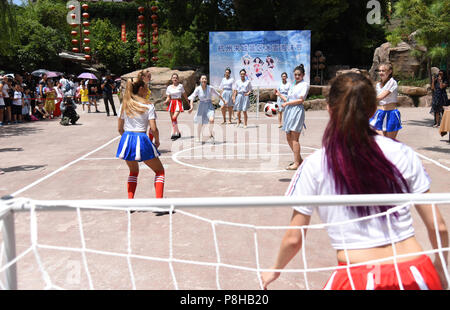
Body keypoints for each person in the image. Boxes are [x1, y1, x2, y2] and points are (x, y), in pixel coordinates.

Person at [261, 72, 448, 290]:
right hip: (414, 271)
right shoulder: (402, 153)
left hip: (356, 275)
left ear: (330, 109)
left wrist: (274, 270)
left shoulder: (315, 164)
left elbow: (294, 238)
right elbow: (438, 226)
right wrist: (441, 269)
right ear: (372, 110)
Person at [116, 78, 165, 201]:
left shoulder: (124, 104)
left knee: (133, 171)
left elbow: (120, 129)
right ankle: (159, 202)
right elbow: (153, 128)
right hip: (141, 138)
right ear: (141, 89)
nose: (148, 89)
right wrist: (157, 141)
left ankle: (130, 201)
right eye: (146, 87)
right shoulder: (148, 105)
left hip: (127, 138)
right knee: (159, 171)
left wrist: (127, 141)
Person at [275, 64, 309, 170]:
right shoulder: (293, 84)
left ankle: (296, 163)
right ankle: (299, 159)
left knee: (294, 138)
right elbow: (288, 99)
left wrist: (287, 104)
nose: (297, 76)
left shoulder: (305, 85)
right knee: (288, 136)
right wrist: (280, 95)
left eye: (299, 74)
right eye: (295, 74)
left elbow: (300, 100)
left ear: (303, 75)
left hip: (297, 110)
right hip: (289, 111)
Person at [188, 74, 226, 144]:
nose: (204, 80)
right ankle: (198, 137)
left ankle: (211, 134)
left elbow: (218, 94)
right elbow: (192, 97)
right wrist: (191, 107)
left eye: (205, 79)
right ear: (200, 80)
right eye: (202, 79)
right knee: (200, 123)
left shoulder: (210, 88)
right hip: (201, 107)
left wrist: (223, 101)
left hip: (209, 106)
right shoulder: (198, 89)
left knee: (211, 120)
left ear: (207, 80)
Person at [369, 62, 402, 139]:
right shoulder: (378, 84)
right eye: (379, 71)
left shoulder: (392, 82)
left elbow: (381, 96)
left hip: (392, 114)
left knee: (390, 142)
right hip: (380, 113)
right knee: (380, 140)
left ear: (390, 71)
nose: (381, 73)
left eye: (383, 71)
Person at [164, 73, 189, 140]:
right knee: (173, 119)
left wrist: (187, 101)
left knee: (174, 117)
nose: (175, 79)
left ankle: (174, 132)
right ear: (171, 79)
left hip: (178, 102)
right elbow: (168, 97)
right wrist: (166, 101)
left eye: (176, 78)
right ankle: (178, 133)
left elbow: (184, 94)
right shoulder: (169, 87)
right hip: (172, 103)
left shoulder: (180, 86)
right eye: (173, 78)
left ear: (178, 79)